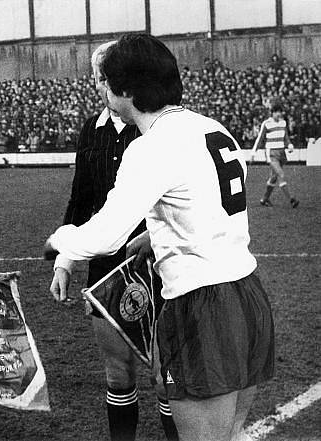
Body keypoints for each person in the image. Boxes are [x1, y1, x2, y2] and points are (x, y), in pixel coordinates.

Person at [44, 34, 274, 441]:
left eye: (107, 79)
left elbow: (106, 235)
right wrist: (155, 235)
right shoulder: (211, 127)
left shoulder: (151, 146)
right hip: (247, 296)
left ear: (126, 89)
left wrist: (61, 242)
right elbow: (206, 208)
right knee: (233, 435)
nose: (102, 86)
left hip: (203, 305)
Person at [50, 41, 178, 441]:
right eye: (97, 78)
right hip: (106, 265)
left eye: (108, 78)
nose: (101, 85)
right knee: (117, 374)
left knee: (166, 377)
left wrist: (154, 236)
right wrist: (65, 261)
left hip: (156, 262)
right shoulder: (92, 129)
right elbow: (81, 197)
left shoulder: (156, 129)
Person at [250, 104, 299, 208]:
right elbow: (260, 139)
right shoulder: (266, 123)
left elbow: (286, 137)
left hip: (281, 153)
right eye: (276, 112)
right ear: (272, 113)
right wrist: (253, 152)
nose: (279, 114)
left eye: (280, 112)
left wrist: (289, 145)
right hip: (271, 153)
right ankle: (292, 199)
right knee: (281, 174)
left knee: (273, 177)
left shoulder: (283, 123)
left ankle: (264, 199)